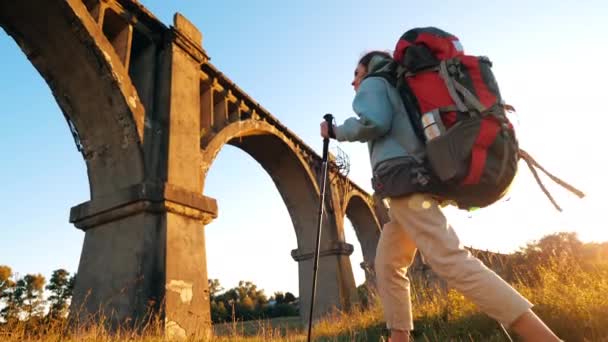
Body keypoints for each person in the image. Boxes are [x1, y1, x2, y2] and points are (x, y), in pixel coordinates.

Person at [320, 50, 561, 342]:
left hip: (402, 184)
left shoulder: (375, 82)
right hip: (413, 183)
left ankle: (543, 338)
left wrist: (335, 131)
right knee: (388, 265)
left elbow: (375, 122)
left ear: (368, 68)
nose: (353, 82)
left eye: (356, 74)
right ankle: (399, 337)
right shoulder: (399, 88)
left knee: (450, 260)